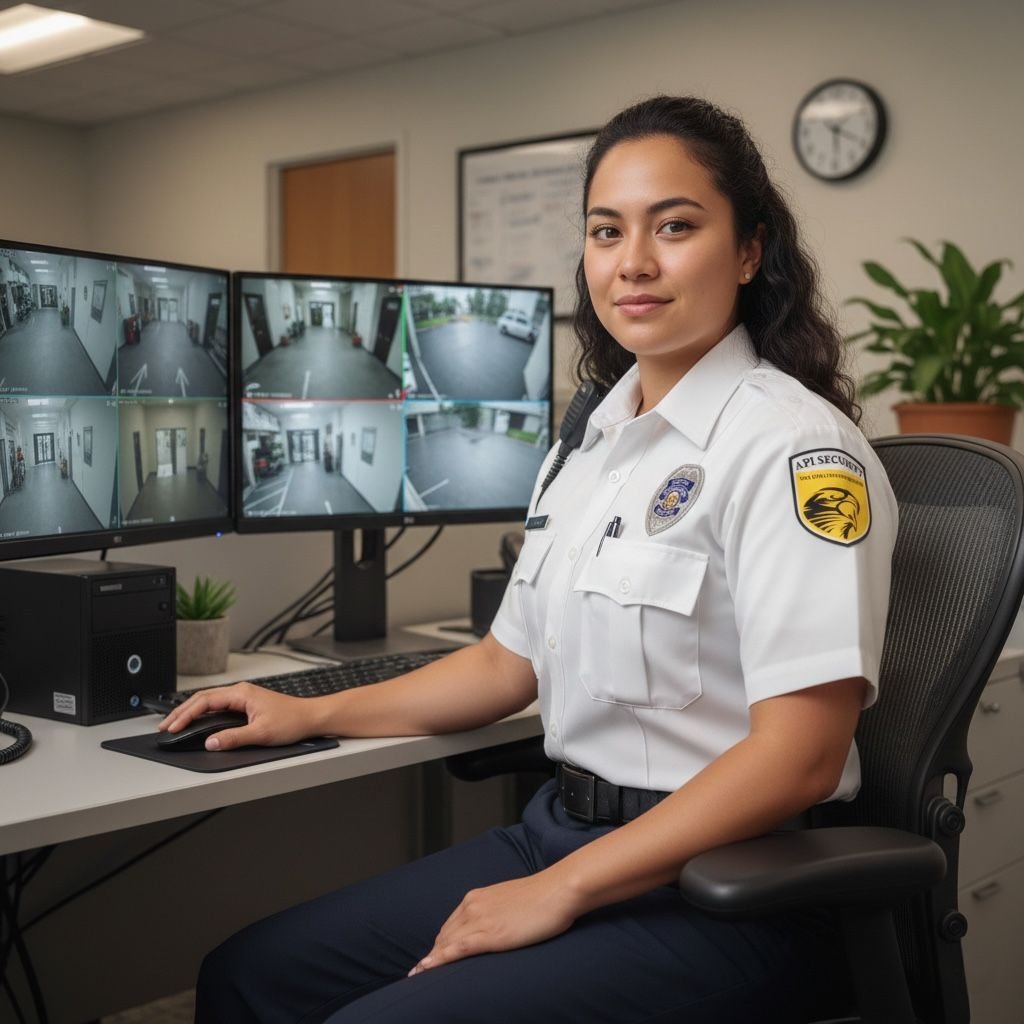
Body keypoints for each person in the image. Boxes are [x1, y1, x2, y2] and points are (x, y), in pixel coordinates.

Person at [163, 95, 897, 1023]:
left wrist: (565, 889)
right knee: (248, 973)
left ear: (750, 251)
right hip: (562, 833)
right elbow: (503, 666)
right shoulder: (589, 443)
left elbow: (801, 757)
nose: (633, 261)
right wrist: (308, 712)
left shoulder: (792, 449)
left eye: (675, 226)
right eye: (606, 231)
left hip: (732, 888)